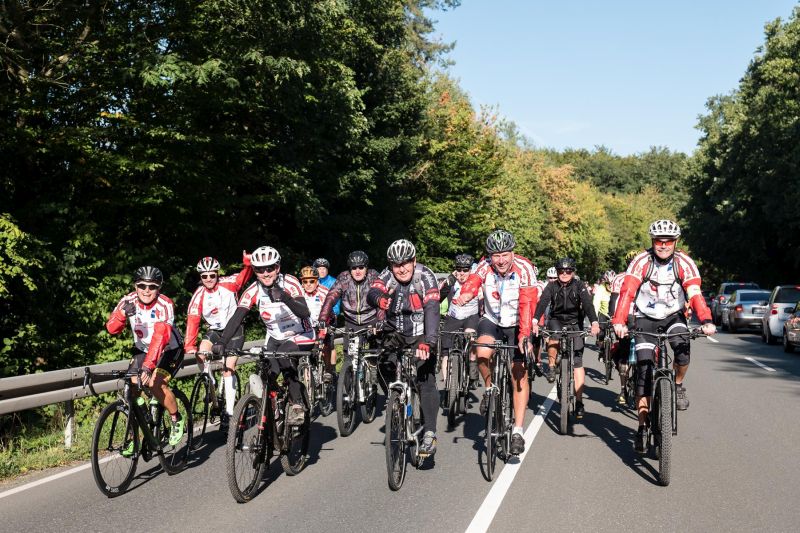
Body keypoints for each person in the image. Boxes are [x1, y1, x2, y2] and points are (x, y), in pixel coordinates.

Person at [612, 220, 715, 453]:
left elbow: (695, 293)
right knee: (644, 368)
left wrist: (706, 320)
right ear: (652, 241)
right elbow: (627, 293)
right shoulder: (641, 262)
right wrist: (619, 321)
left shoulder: (684, 263)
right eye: (659, 241)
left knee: (682, 350)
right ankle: (641, 427)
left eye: (668, 242)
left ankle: (677, 385)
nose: (664, 246)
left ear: (675, 242)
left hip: (673, 315)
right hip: (645, 316)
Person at [453, 229, 538, 456]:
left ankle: (518, 430)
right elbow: (473, 281)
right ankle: (490, 387)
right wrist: (467, 294)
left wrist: (525, 336)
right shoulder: (483, 267)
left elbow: (528, 305)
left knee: (518, 373)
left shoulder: (525, 269)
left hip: (517, 323)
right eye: (495, 255)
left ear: (512, 253)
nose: (500, 260)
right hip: (491, 320)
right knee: (481, 353)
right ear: (489, 256)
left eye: (505, 255)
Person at [213, 246, 314, 426]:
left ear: (278, 268)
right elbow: (237, 318)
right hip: (275, 337)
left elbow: (304, 312)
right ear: (255, 271)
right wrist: (222, 341)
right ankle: (275, 407)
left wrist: (284, 297)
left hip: (301, 333)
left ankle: (297, 404)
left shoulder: (290, 283)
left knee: (284, 357)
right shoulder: (253, 290)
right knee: (268, 371)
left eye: (270, 268)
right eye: (260, 269)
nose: (265, 273)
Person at [368, 239, 441, 457]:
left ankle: (429, 433)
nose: (401, 269)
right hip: (395, 331)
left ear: (414, 260)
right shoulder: (388, 276)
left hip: (421, 332)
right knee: (381, 363)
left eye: (406, 263)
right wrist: (380, 299)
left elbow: (432, 309)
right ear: (391, 265)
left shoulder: (425, 276)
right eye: (396, 264)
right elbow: (373, 291)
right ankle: (396, 399)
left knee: (425, 380)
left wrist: (429, 342)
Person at [106, 266, 185, 446]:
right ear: (135, 286)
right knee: (131, 389)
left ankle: (176, 418)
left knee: (156, 383)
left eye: (152, 286)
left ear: (159, 288)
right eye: (142, 286)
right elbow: (111, 329)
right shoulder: (128, 301)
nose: (146, 291)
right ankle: (137, 431)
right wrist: (121, 314)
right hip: (143, 349)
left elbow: (160, 336)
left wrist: (148, 367)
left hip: (169, 349)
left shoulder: (165, 304)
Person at [184, 254, 252, 427]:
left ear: (217, 274)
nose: (208, 279)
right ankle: (210, 383)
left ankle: (230, 413)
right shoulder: (198, 294)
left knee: (228, 369)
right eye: (204, 276)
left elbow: (245, 275)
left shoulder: (229, 283)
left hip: (234, 329)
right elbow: (193, 319)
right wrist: (189, 345)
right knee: (200, 353)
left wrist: (247, 263)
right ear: (201, 277)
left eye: (212, 275)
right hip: (215, 331)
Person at [532, 257, 600, 420]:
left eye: (568, 271)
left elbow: (588, 305)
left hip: (575, 322)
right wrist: (535, 320)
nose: (564, 274)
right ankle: (553, 366)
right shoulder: (552, 286)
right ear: (557, 272)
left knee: (577, 361)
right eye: (561, 271)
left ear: (573, 272)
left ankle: (579, 401)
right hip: (556, 320)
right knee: (553, 337)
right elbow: (543, 302)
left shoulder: (579, 285)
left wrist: (594, 322)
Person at [318, 250, 383, 376]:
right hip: (351, 322)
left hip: (371, 320)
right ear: (349, 269)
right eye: (354, 268)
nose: (357, 271)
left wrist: (380, 321)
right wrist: (322, 319)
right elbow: (331, 298)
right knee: (348, 360)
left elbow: (381, 299)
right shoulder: (344, 278)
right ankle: (349, 391)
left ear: (366, 268)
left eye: (361, 267)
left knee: (377, 357)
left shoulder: (374, 276)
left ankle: (374, 378)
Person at [438, 253, 481, 388]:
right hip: (453, 316)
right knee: (446, 351)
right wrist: (446, 285)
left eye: (465, 270)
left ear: (470, 269)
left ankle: (472, 366)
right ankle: (447, 385)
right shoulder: (451, 280)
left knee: (470, 335)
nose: (462, 273)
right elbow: (438, 298)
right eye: (459, 269)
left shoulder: (475, 280)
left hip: (471, 316)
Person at [608, 251, 639, 404]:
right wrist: (614, 320)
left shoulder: (650, 275)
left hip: (642, 318)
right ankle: (622, 389)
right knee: (623, 354)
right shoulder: (619, 279)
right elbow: (613, 301)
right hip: (624, 318)